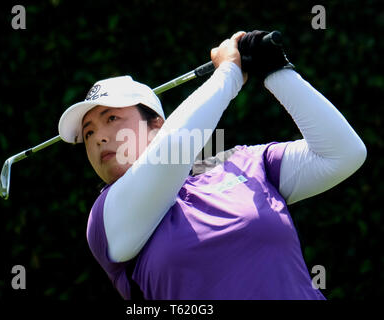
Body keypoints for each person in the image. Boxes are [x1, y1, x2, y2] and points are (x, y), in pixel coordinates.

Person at [58, 30, 367, 300]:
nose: (99, 138)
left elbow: (342, 154)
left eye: (111, 119)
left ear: (156, 125)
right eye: (88, 133)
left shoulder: (242, 163)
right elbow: (174, 149)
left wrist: (277, 72)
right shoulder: (106, 218)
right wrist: (228, 75)